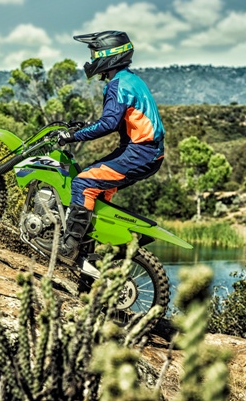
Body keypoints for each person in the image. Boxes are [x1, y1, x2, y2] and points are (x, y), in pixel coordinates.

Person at [57, 30, 165, 257]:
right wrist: (84, 127)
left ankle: (68, 249)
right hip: (146, 152)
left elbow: (108, 124)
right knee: (97, 190)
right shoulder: (131, 79)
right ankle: (89, 249)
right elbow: (117, 120)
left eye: (94, 54)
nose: (91, 60)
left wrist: (72, 136)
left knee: (83, 183)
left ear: (109, 55)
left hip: (139, 153)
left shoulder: (118, 85)